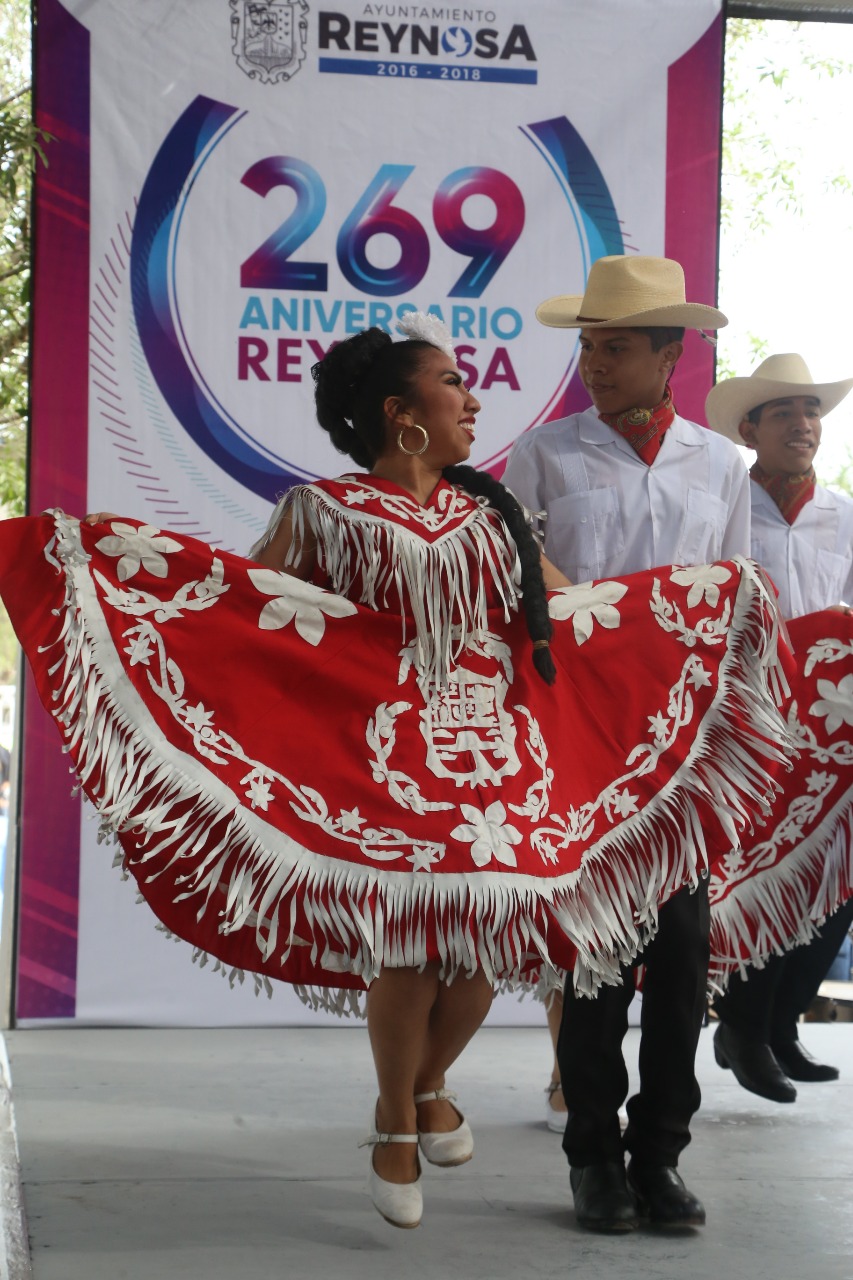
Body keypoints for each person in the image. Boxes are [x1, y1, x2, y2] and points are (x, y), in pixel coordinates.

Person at [0, 313, 791, 1233]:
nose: (472, 395)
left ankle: (423, 1088)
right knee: (412, 945)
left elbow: (567, 607)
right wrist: (114, 567)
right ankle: (395, 1120)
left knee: (493, 934)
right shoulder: (322, 512)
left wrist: (698, 606)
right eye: (452, 382)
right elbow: (257, 612)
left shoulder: (488, 511)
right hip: (381, 760)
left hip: (491, 761)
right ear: (400, 413)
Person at [503, 254, 748, 1233]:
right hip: (586, 739)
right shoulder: (544, 453)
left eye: (613, 348)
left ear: (666, 356)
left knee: (682, 957)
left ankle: (661, 1155)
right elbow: (520, 582)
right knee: (592, 956)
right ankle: (592, 1156)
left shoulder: (720, 465)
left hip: (683, 748)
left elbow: (736, 597)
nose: (593, 363)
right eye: (587, 346)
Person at [705, 352, 853, 1103]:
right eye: (785, 412)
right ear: (748, 427)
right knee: (759, 871)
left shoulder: (843, 515)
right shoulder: (725, 503)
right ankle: (742, 1024)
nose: (803, 424)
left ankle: (778, 1023)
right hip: (754, 716)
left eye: (812, 411)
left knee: (832, 878)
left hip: (827, 724)